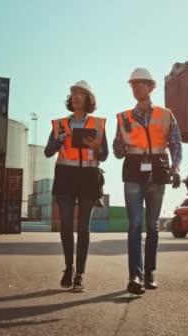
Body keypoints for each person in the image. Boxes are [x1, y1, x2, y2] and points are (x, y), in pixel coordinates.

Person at [113, 68, 183, 295]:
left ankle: (150, 272)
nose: (136, 88)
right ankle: (135, 275)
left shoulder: (165, 115)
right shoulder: (124, 117)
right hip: (133, 170)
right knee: (134, 225)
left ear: (151, 87)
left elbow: (176, 144)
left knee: (152, 226)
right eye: (132, 85)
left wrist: (175, 168)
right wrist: (118, 147)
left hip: (158, 170)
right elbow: (117, 150)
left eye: (140, 84)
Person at [44, 80, 108, 293]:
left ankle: (79, 274)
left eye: (81, 93)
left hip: (89, 178)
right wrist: (59, 140)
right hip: (65, 177)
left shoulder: (98, 124)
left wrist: (97, 148)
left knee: (83, 228)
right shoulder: (60, 124)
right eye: (73, 93)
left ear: (88, 98)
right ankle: (68, 268)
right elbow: (48, 152)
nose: (76, 96)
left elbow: (105, 155)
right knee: (66, 226)